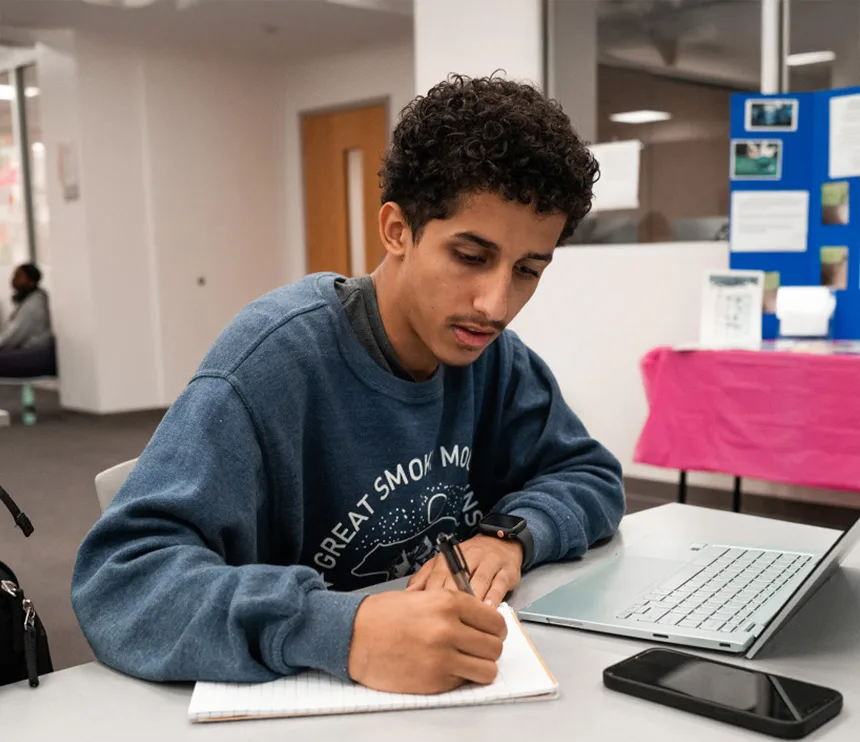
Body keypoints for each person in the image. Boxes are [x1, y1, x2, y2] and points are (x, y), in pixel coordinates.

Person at [72, 75, 625, 694]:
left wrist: (510, 537)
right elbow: (120, 582)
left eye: (527, 270)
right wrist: (340, 628)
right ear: (396, 230)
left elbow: (590, 476)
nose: (496, 305)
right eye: (471, 256)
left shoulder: (490, 357)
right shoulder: (271, 362)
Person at [0, 263, 56, 378]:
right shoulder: (33, 300)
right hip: (37, 351)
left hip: (36, 354)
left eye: (19, 276)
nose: (14, 280)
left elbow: (14, 336)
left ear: (31, 281)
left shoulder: (32, 305)